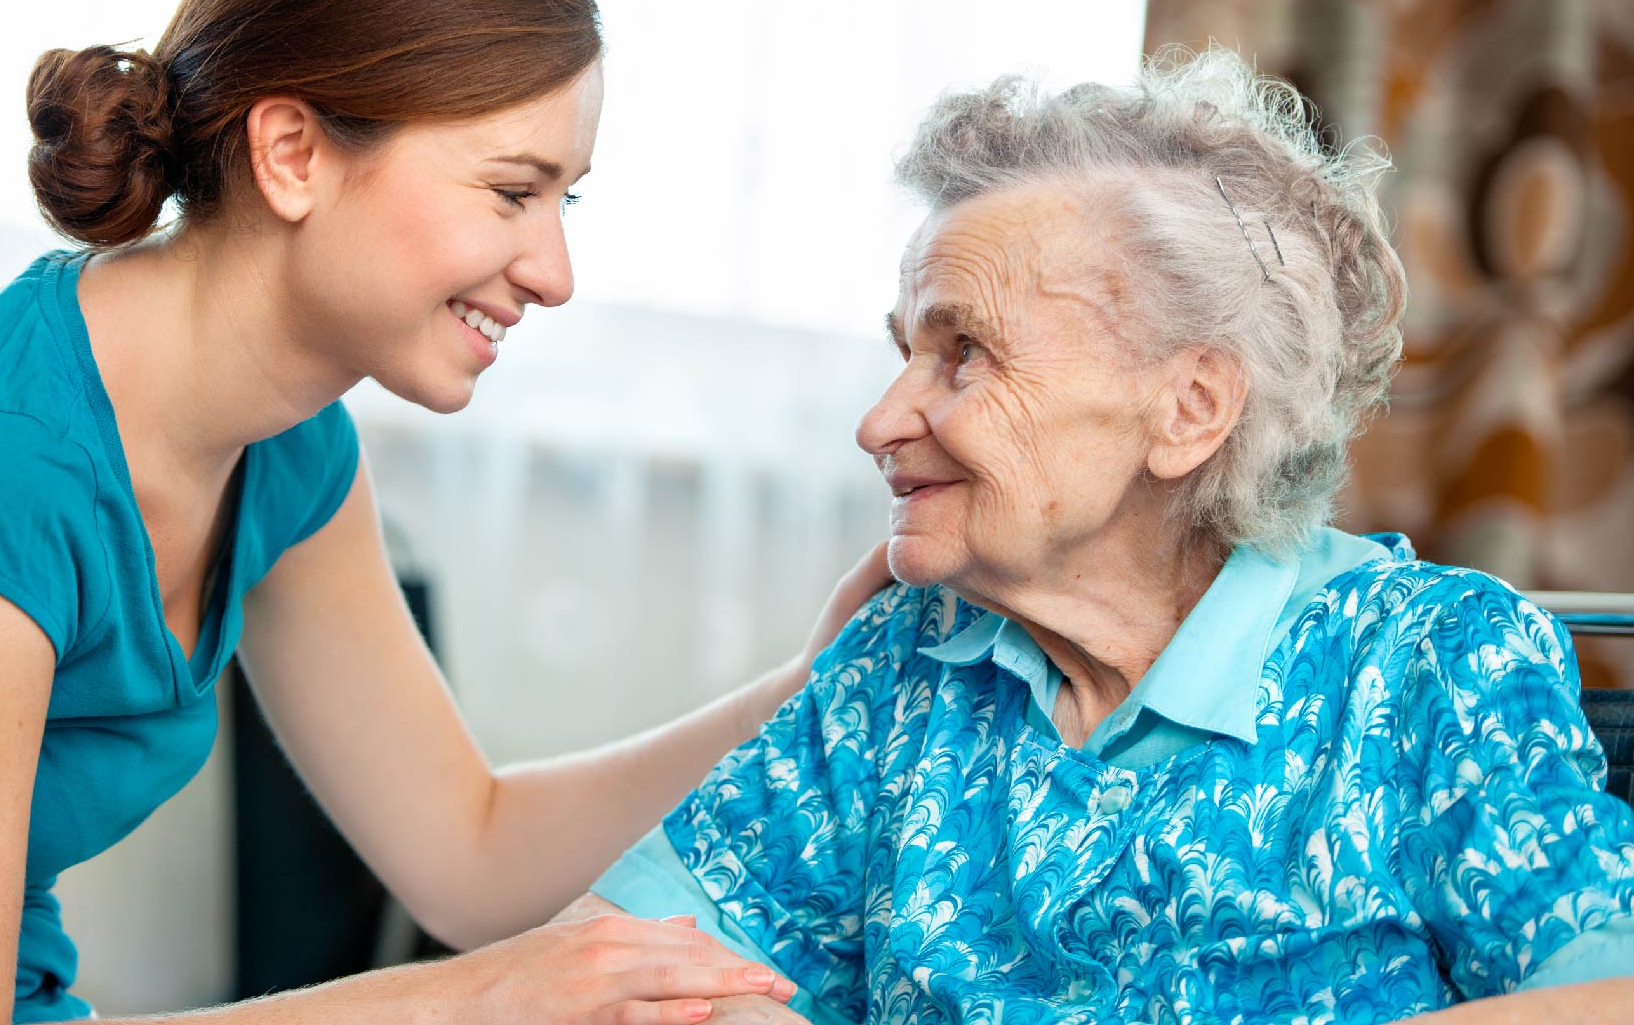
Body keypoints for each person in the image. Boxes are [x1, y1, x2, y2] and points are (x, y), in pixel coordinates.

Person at [0, 0, 889, 1020]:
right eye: (510, 190)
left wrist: (804, 690)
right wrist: (461, 1000)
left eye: (563, 199)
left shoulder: (289, 448)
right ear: (293, 155)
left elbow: (468, 853)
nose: (554, 271)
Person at [561, 50, 1634, 1024]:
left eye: (964, 353)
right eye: (903, 353)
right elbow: (622, 966)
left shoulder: (1424, 664)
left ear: (1187, 410)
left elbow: (1604, 994)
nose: (879, 421)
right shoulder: (903, 669)